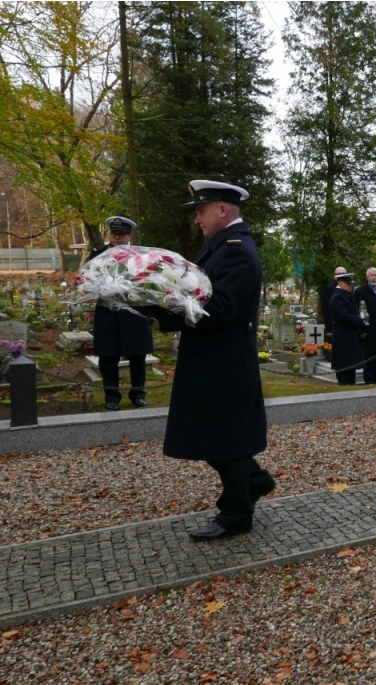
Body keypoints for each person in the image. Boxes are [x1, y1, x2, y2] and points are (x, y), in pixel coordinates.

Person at [152, 180, 274, 541]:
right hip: (212, 360)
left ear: (222, 210)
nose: (196, 220)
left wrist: (162, 309)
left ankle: (236, 514)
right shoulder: (221, 246)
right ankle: (254, 481)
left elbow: (220, 310)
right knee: (214, 434)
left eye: (201, 212)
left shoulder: (236, 250)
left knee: (224, 439)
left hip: (224, 363)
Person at [86, 216, 154, 410]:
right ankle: (112, 396)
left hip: (134, 310)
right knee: (108, 356)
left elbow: (149, 281)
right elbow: (89, 278)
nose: (117, 239)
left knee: (138, 355)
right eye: (114, 235)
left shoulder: (141, 255)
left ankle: (138, 393)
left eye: (121, 235)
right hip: (107, 311)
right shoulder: (99, 254)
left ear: (129, 235)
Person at [354, 267, 376, 384]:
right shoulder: (360, 291)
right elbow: (358, 311)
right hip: (368, 330)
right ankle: (369, 379)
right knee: (369, 355)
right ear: (367, 277)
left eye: (375, 275)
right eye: (371, 275)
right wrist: (361, 329)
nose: (373, 277)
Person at [329, 272, 365, 385]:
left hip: (350, 335)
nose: (351, 286)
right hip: (343, 336)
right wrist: (360, 320)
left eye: (351, 283)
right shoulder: (337, 297)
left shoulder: (347, 294)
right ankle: (344, 383)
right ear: (340, 283)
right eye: (348, 283)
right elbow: (343, 316)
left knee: (351, 366)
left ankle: (350, 382)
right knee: (344, 365)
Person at [321, 266, 346, 342]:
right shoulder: (329, 289)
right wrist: (329, 329)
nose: (341, 275)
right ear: (334, 276)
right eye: (339, 274)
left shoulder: (349, 288)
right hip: (334, 326)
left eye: (343, 273)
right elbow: (326, 309)